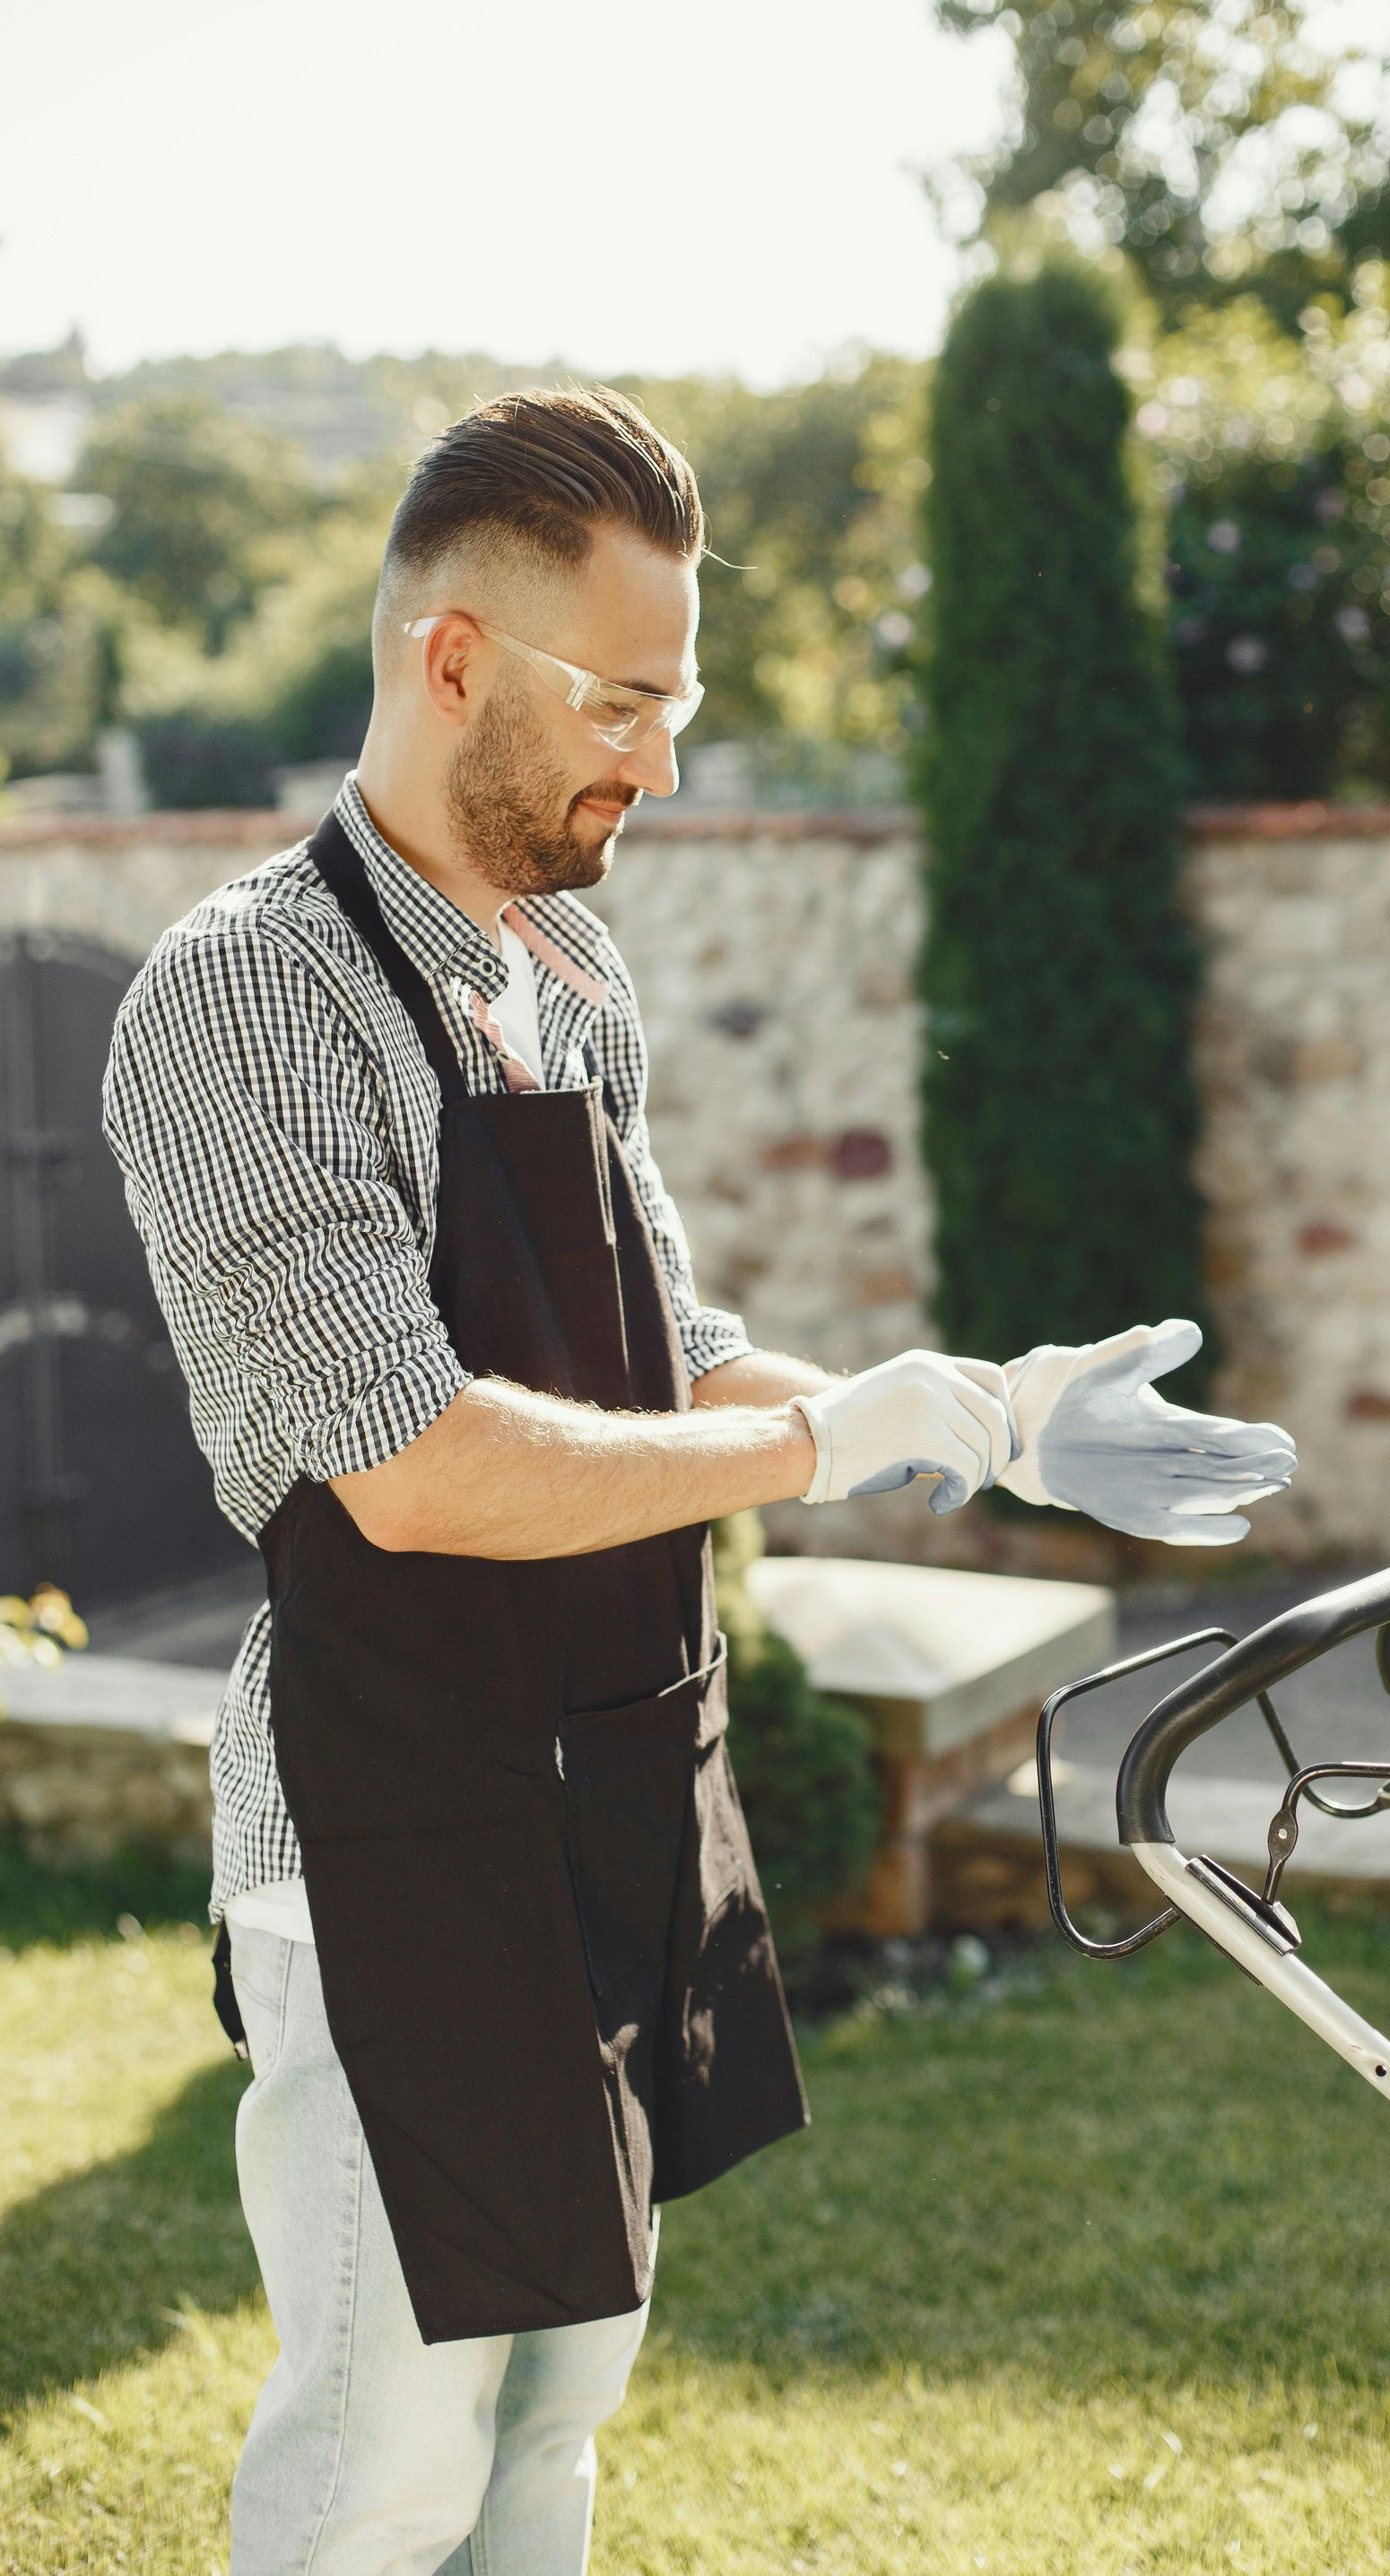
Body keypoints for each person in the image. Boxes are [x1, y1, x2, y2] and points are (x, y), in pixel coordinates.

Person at [102, 384, 1296, 2576]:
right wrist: (838, 1440)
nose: (660, 761)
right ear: (450, 659)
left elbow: (670, 1344)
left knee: (554, 2440)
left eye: (685, 702)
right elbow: (421, 1466)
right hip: (393, 1839)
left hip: (617, 1793)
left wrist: (974, 1407)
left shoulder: (570, 965)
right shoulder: (251, 1003)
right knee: (384, 2472)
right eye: (624, 702)